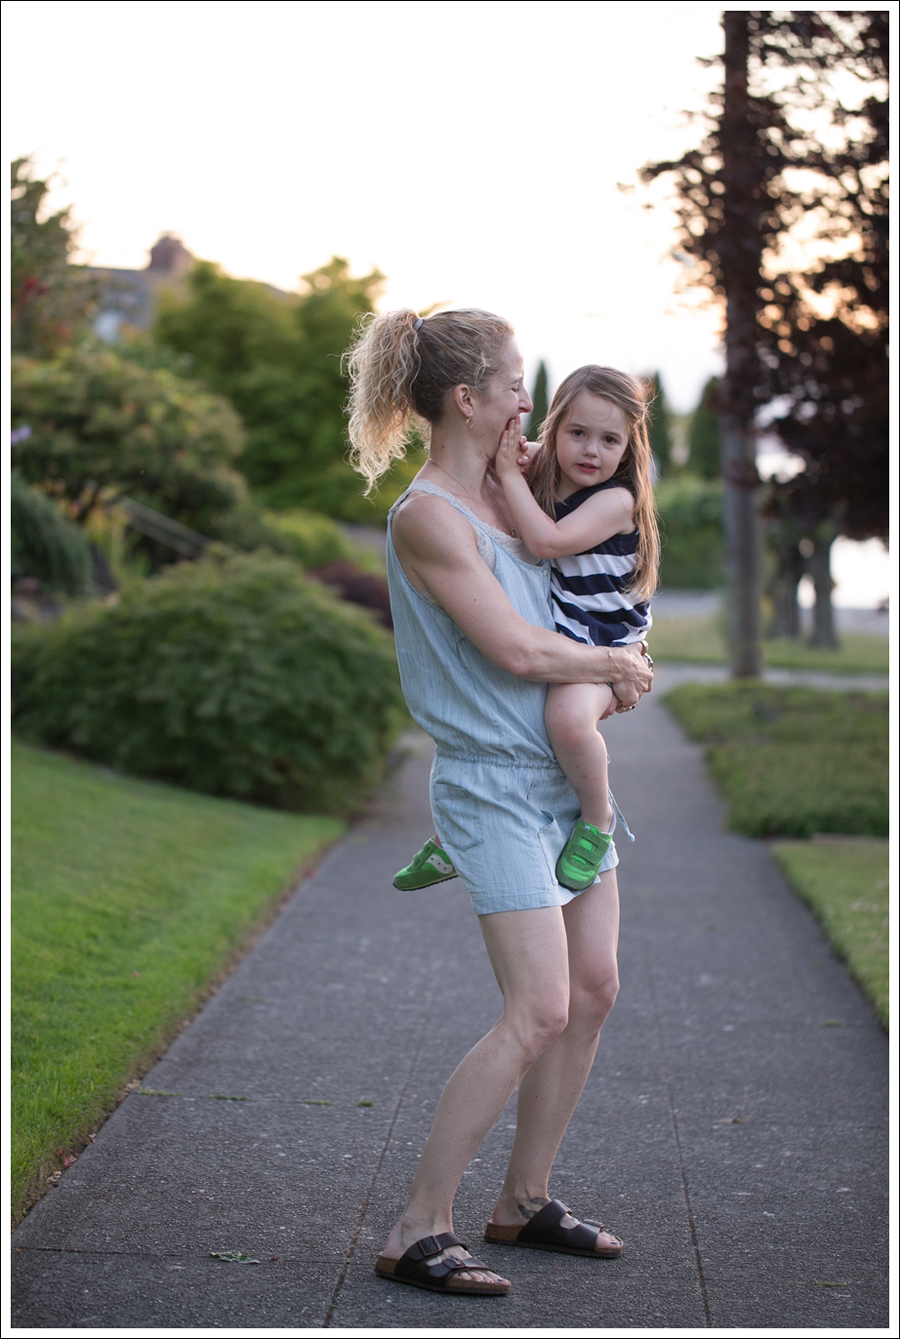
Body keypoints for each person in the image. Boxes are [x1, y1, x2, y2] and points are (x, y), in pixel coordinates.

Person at [345, 309, 653, 1297]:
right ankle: (417, 1227)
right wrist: (614, 664)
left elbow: (588, 572)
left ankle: (523, 1199)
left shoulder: (510, 489)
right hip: (492, 785)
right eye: (517, 382)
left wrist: (607, 664)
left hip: (560, 777)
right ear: (467, 397)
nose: (531, 397)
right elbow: (517, 650)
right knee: (539, 1007)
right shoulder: (430, 515)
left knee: (594, 988)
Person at [395, 366, 658, 895]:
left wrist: (511, 477)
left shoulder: (616, 499)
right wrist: (510, 455)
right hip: (563, 630)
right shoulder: (549, 464)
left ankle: (597, 822)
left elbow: (547, 542)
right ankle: (456, 835)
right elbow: (504, 453)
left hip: (602, 644)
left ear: (629, 447)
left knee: (566, 720)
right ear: (556, 428)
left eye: (609, 440)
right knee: (501, 718)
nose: (591, 451)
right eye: (577, 433)